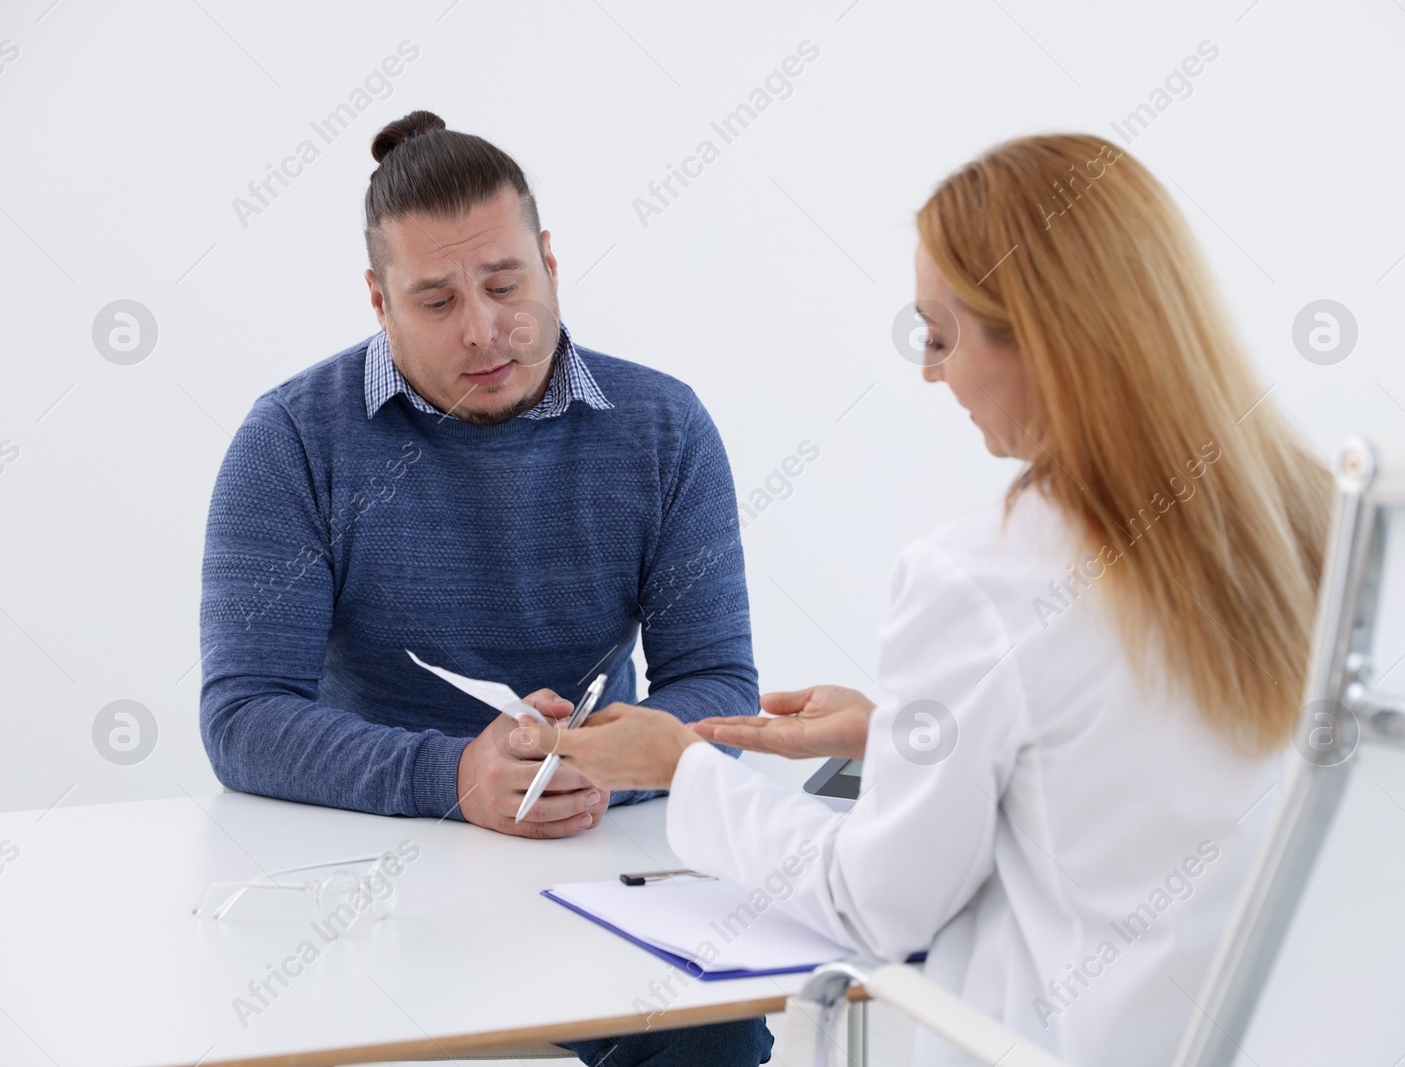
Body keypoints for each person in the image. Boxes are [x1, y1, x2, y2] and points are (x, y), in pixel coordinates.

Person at [516, 133, 1334, 1066]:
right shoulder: (1307, 533)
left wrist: (682, 768)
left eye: (941, 338)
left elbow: (875, 901)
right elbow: (1129, 764)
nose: (931, 373)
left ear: (1048, 338)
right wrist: (901, 732)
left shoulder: (982, 575)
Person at [197, 110, 773, 1066]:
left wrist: (595, 763)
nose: (483, 329)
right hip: (380, 870)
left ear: (549, 260)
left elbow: (719, 684)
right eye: (435, 302)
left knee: (709, 1028)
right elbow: (244, 713)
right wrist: (456, 775)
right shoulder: (294, 439)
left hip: (598, 859)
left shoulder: (663, 429)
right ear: (378, 302)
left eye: (506, 282)